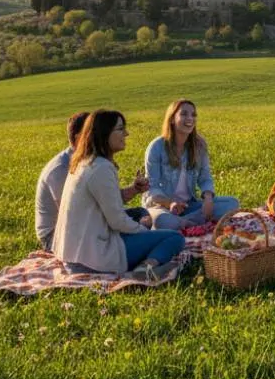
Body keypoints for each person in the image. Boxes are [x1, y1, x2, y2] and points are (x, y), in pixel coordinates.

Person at [54, 109, 185, 278]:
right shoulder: (101, 168)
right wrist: (146, 233)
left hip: (74, 252)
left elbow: (107, 202)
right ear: (104, 133)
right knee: (174, 238)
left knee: (140, 213)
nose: (127, 133)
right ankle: (145, 268)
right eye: (121, 129)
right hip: (90, 258)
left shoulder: (86, 162)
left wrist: (134, 189)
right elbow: (117, 221)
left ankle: (145, 259)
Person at [35, 110, 148, 252]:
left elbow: (105, 198)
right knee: (140, 229)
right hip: (58, 236)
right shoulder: (61, 169)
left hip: (89, 223)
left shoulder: (93, 161)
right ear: (78, 139)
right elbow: (73, 216)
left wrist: (134, 189)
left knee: (140, 214)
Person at [142, 99, 240, 231]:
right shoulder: (157, 147)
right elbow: (152, 187)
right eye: (184, 114)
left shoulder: (199, 145)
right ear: (172, 119)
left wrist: (208, 199)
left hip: (189, 205)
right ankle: (192, 222)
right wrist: (170, 203)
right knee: (164, 221)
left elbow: (205, 177)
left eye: (193, 115)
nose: (190, 118)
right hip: (162, 206)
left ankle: (183, 223)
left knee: (232, 204)